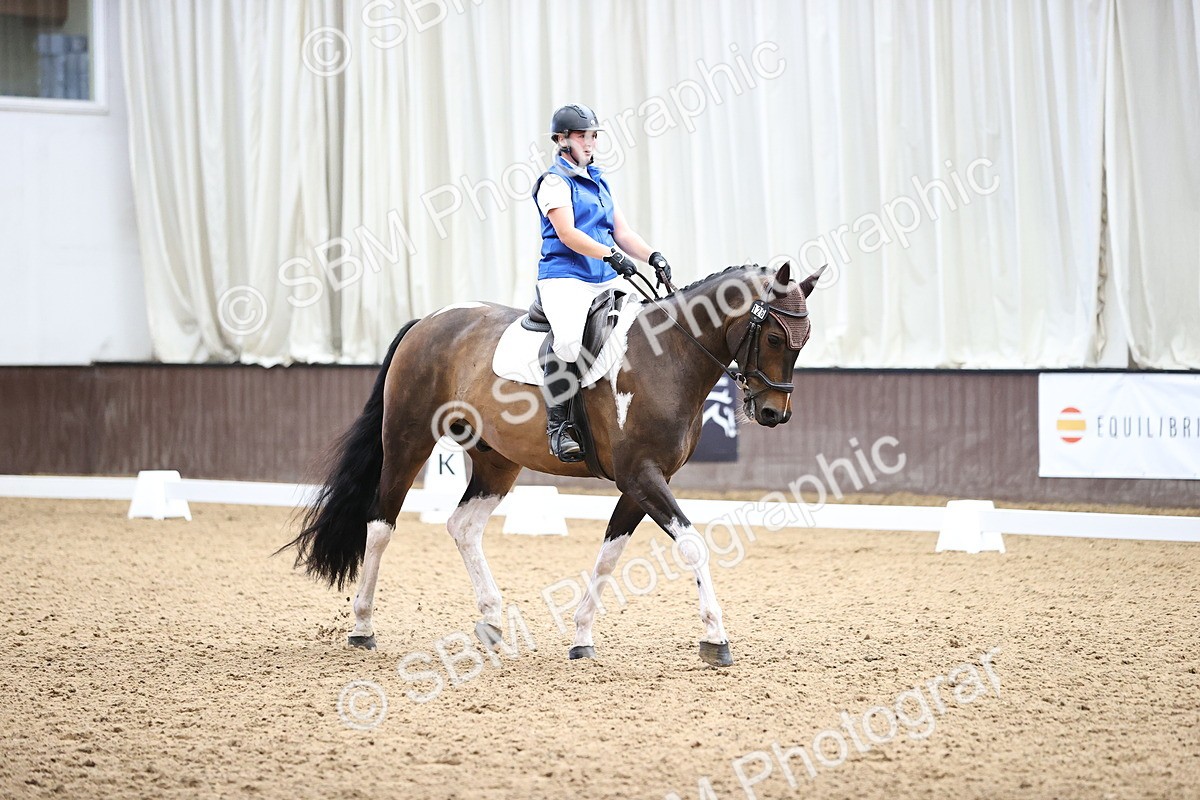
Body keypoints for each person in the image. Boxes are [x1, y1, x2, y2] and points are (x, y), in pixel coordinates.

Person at [532, 103, 672, 461]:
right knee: (566, 343)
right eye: (582, 136)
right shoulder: (554, 182)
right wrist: (609, 254)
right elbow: (567, 234)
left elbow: (621, 232)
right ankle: (559, 427)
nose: (590, 142)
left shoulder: (600, 180)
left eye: (592, 135)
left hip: (605, 277)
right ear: (561, 140)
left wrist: (652, 255)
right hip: (566, 277)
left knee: (653, 322)